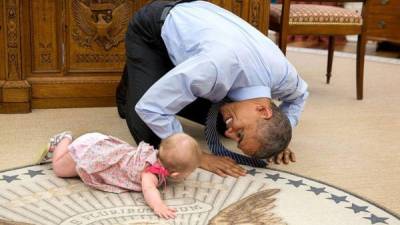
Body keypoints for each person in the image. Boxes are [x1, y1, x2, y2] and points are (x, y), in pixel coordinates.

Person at [116, 0, 308, 178]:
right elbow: (151, 107)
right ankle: (139, 74)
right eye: (240, 134)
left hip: (201, 41)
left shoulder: (285, 77)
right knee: (150, 135)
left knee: (221, 119)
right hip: (153, 30)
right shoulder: (214, 68)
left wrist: (278, 137)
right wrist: (197, 156)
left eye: (237, 138)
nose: (228, 135)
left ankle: (158, 76)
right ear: (263, 110)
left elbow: (300, 96)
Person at [46, 131, 201, 219]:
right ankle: (65, 139)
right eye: (190, 172)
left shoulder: (154, 155)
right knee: (59, 168)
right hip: (90, 154)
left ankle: (70, 143)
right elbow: (149, 190)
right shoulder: (150, 173)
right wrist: (158, 205)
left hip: (102, 146)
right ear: (175, 173)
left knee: (64, 167)